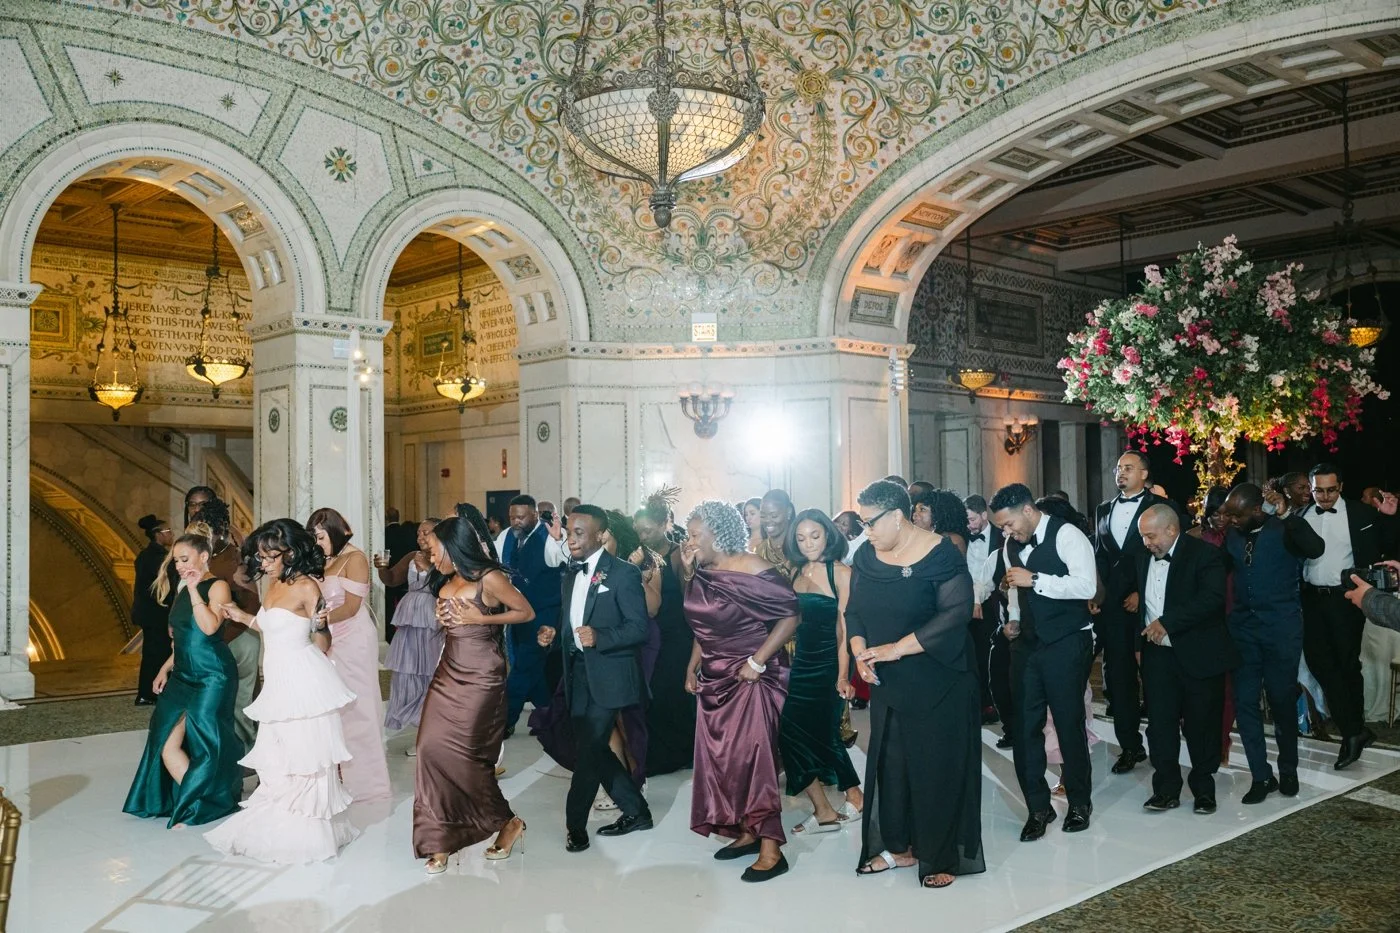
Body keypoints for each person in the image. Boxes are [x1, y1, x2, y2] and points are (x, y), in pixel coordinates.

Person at [847, 481, 983, 888]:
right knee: (892, 766)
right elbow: (854, 612)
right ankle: (901, 847)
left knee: (934, 766)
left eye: (870, 523)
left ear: (896, 517)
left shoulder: (941, 553)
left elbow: (955, 614)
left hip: (939, 677)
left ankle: (940, 854)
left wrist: (894, 650)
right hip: (890, 681)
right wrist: (859, 653)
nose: (864, 532)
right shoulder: (869, 554)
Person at [205, 519, 358, 863]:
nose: (263, 563)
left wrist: (320, 625)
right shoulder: (273, 584)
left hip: (302, 678)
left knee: (303, 753)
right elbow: (270, 627)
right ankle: (279, 818)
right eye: (260, 556)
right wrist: (241, 617)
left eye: (269, 556)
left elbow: (322, 642)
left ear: (289, 552)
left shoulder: (307, 587)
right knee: (277, 752)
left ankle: (305, 830)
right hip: (276, 677)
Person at [680, 499, 799, 883]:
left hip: (752, 677)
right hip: (714, 676)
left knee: (755, 761)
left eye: (697, 534)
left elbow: (790, 616)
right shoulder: (701, 570)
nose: (691, 541)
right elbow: (704, 624)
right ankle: (746, 832)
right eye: (689, 534)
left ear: (719, 533)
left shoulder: (754, 569)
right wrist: (692, 664)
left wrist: (757, 661)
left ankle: (771, 848)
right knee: (724, 761)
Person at [414, 515, 534, 872]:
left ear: (453, 547)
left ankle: (508, 823)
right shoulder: (447, 580)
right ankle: (439, 836)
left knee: (468, 758)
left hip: (482, 675)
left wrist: (482, 620)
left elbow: (525, 612)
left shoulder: (490, 579)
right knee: (429, 749)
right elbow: (451, 620)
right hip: (448, 670)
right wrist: (442, 613)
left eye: (435, 551)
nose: (432, 558)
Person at [536, 506, 653, 851]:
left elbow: (638, 628)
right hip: (577, 673)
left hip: (610, 675)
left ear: (601, 535)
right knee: (595, 747)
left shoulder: (623, 574)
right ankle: (637, 811)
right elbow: (570, 621)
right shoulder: (571, 573)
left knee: (587, 751)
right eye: (569, 532)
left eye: (578, 533)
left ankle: (575, 826)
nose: (570, 539)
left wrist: (600, 636)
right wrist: (553, 635)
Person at [990, 482, 1097, 841]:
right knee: (1025, 727)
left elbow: (1087, 587)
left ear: (1027, 510)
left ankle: (1080, 802)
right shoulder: (1009, 546)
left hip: (1067, 640)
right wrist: (1013, 618)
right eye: (1002, 527)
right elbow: (1015, 593)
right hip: (1028, 644)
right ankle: (1038, 807)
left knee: (1068, 723)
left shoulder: (1069, 536)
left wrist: (1036, 579)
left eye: (1008, 524)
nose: (1006, 532)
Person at [124, 526, 242, 828]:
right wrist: (166, 667)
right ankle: (200, 801)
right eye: (176, 561)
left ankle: (198, 806)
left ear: (204, 557)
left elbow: (208, 629)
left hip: (213, 675)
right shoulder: (179, 589)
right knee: (165, 742)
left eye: (185, 559)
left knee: (206, 742)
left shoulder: (217, 587)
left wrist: (192, 590)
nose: (180, 566)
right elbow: (183, 640)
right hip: (183, 675)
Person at [1217, 483, 1326, 803]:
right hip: (1243, 631)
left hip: (1281, 630)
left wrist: (1288, 514)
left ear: (1256, 510)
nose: (1231, 520)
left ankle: (1288, 769)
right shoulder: (1234, 535)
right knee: (1246, 703)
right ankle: (1261, 776)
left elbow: (1315, 548)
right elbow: (1219, 568)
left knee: (1281, 700)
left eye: (1236, 514)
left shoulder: (1286, 528)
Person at [1135, 504, 1239, 814]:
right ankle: (1166, 789)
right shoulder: (1142, 556)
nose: (1146, 543)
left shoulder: (1205, 554)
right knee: (1160, 725)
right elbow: (1140, 604)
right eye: (1142, 536)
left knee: (1202, 725)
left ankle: (1204, 790)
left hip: (1199, 653)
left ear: (1171, 530)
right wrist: (1138, 646)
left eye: (1150, 536)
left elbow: (1212, 599)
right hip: (1157, 657)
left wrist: (1168, 622)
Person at [1299, 463, 1392, 769]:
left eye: (1330, 490)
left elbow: (1387, 546)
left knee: (1347, 664)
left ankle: (1354, 730)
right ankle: (1355, 729)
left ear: (1340, 486)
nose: (1324, 497)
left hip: (1346, 599)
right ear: (1311, 488)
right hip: (1312, 599)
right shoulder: (1302, 516)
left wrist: (1391, 520)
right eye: (1318, 490)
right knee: (1319, 663)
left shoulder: (1361, 514)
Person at [781, 509, 863, 834]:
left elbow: (844, 630)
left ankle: (854, 795)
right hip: (801, 664)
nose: (808, 543)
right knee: (790, 733)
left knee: (827, 733)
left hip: (830, 664)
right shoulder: (796, 571)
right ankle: (825, 810)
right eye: (801, 538)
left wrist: (843, 676)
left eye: (814, 536)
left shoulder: (839, 572)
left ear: (828, 535)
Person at [1091, 450, 1172, 776]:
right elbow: (1099, 554)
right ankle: (1130, 746)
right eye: (1118, 468)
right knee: (1118, 677)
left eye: (1128, 468)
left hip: (1150, 605)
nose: (1120, 473)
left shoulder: (1162, 508)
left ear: (1143, 473)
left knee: (1155, 677)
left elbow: (1167, 556)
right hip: (1112, 607)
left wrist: (1142, 591)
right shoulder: (1103, 509)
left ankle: (1164, 747)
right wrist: (1095, 593)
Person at [309, 508, 392, 803]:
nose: (317, 542)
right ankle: (337, 775)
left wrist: (318, 620)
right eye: (314, 537)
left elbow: (351, 607)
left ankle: (366, 782)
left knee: (358, 707)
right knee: (332, 709)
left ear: (334, 531)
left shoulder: (354, 558)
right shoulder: (323, 559)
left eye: (321, 536)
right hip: (326, 637)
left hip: (352, 638)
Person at [184, 496, 262, 753]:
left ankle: (245, 756)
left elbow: (251, 601)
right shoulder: (198, 558)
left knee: (240, 701)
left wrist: (218, 635)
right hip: (217, 638)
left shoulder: (231, 558)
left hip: (237, 636)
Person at [635, 491, 696, 774]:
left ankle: (681, 752)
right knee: (653, 695)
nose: (643, 536)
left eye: (648, 530)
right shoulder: (640, 556)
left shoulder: (676, 554)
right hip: (648, 635)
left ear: (663, 526)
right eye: (639, 531)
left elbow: (690, 596)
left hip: (677, 635)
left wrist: (686, 569)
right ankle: (659, 750)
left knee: (673, 694)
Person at [376, 519, 446, 742]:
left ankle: (433, 728)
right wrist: (382, 568)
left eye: (425, 532)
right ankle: (417, 723)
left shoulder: (446, 558)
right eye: (418, 533)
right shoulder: (411, 556)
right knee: (407, 671)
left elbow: (447, 587)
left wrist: (429, 570)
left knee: (431, 670)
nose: (420, 537)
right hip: (410, 619)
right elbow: (392, 580)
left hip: (432, 618)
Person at [500, 494, 563, 733]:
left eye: (521, 517)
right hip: (517, 613)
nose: (515, 521)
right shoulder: (507, 536)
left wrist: (559, 540)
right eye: (512, 517)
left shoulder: (549, 537)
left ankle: (505, 721)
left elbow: (562, 562)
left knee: (522, 668)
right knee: (533, 670)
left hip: (544, 615)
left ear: (535, 515)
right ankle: (551, 717)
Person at [965, 495, 1003, 723]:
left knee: (988, 656)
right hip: (964, 603)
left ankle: (990, 704)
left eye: (971, 519)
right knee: (969, 656)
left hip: (992, 604)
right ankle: (974, 704)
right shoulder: (960, 537)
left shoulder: (1001, 536)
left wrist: (980, 599)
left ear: (983, 515)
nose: (968, 525)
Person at [133, 515, 175, 705]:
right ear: (158, 534)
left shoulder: (146, 555)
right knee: (157, 654)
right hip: (157, 614)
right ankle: (151, 693)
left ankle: (148, 693)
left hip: (151, 614)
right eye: (168, 532)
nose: (171, 534)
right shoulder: (157, 558)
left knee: (153, 653)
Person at [755, 490, 798, 580]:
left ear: (789, 512)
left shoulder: (799, 546)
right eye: (763, 516)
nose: (767, 521)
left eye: (774, 516)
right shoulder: (759, 551)